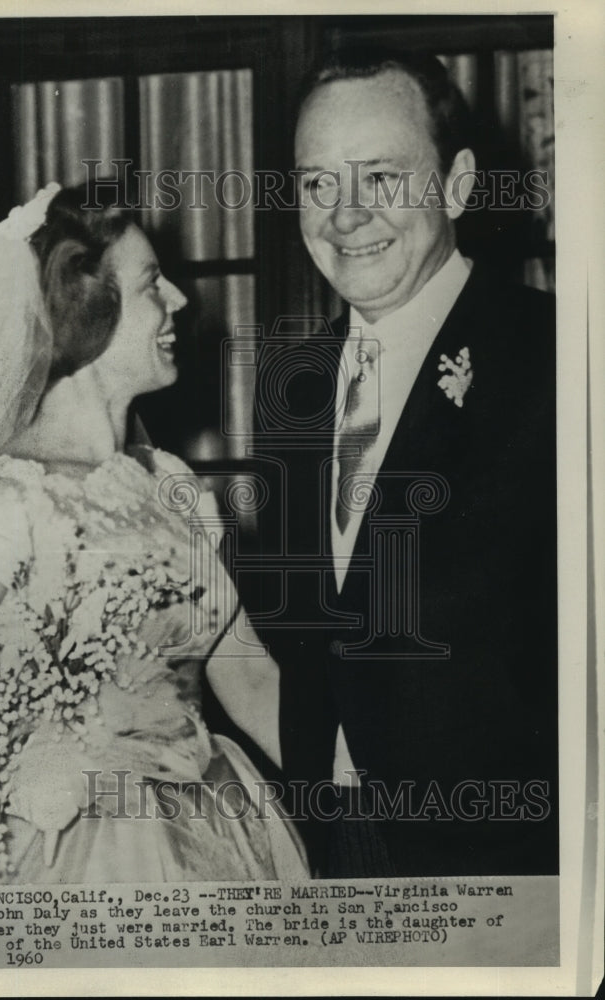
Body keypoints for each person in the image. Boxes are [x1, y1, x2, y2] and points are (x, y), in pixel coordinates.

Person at [0, 183, 308, 885]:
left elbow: (248, 676)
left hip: (214, 829)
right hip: (56, 851)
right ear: (86, 307)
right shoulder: (11, 498)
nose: (181, 303)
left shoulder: (175, 489)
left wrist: (362, 772)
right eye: (153, 284)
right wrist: (7, 776)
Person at [253, 47, 557, 877]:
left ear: (457, 185)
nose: (345, 216)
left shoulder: (558, 356)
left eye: (380, 177)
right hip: (328, 843)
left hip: (513, 859)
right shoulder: (294, 384)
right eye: (318, 183)